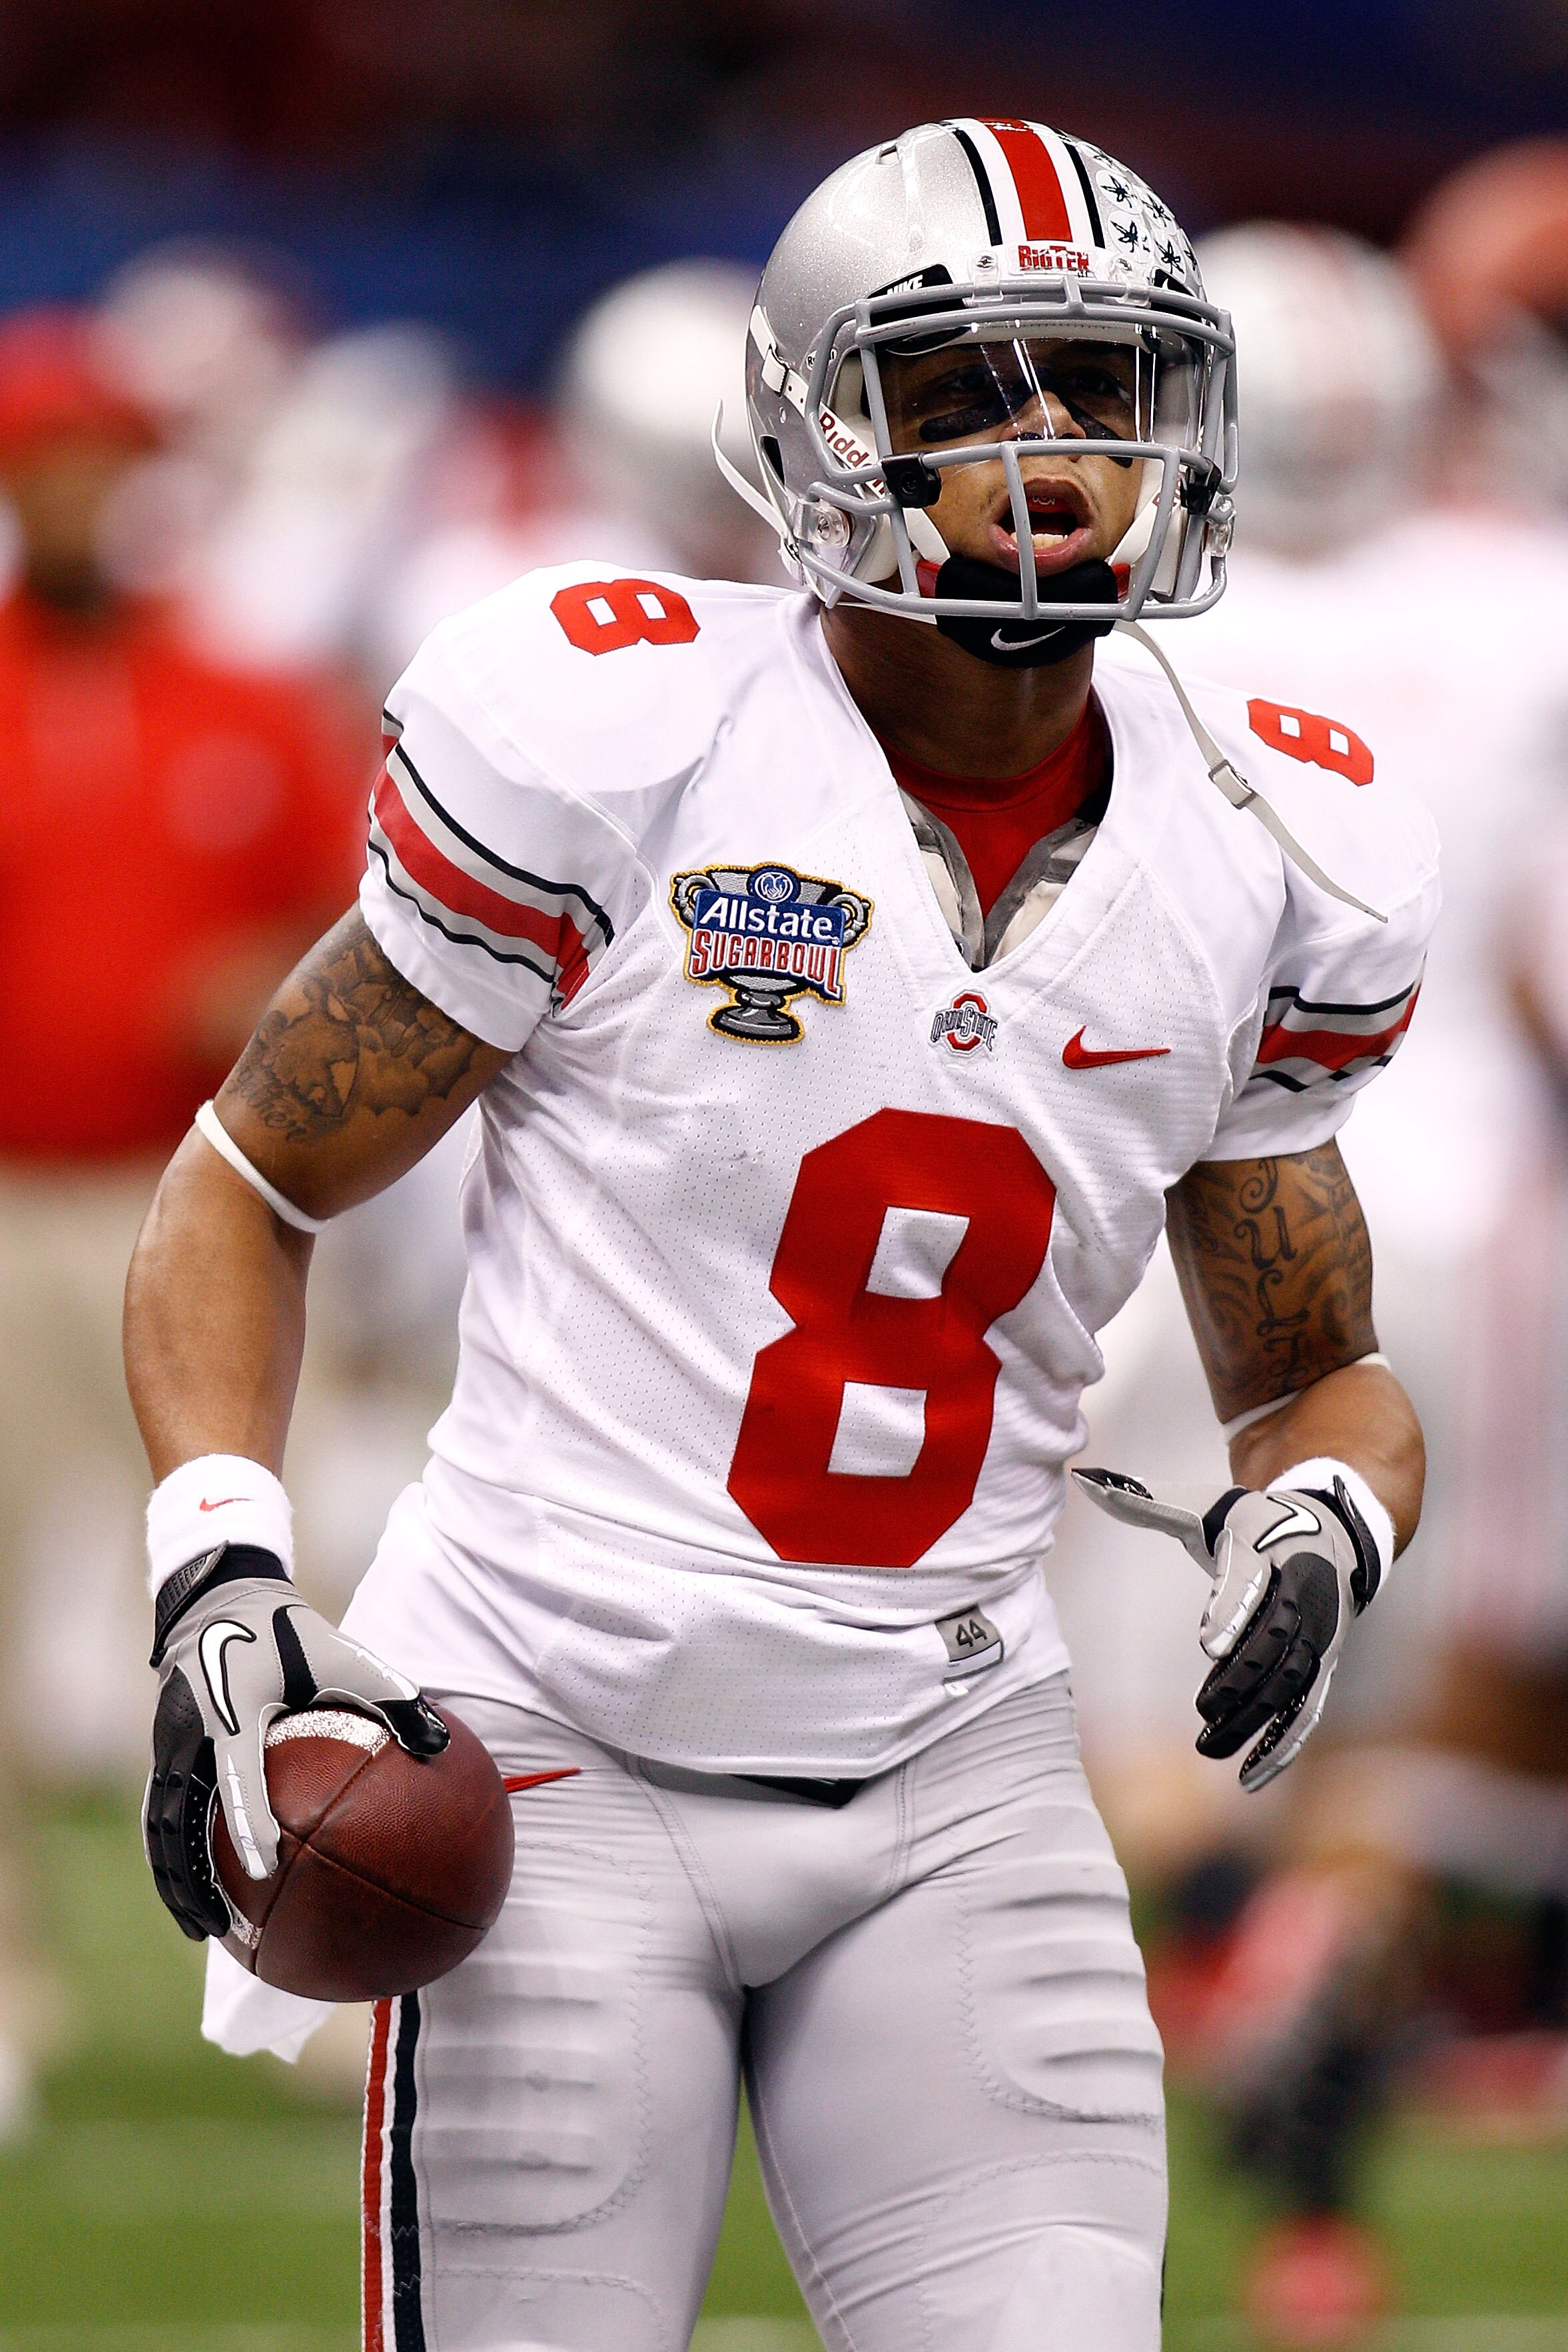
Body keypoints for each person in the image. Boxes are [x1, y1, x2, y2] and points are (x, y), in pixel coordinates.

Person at [125, 119, 1437, 2351]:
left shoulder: (1264, 845)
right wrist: (223, 1568)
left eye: (1098, 387)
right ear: (818, 429)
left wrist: (1320, 1512)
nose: (1048, 455)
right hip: (546, 1737)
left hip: (955, 1764)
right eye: (963, 392)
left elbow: (1317, 1369)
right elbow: (251, 1179)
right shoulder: (618, 733)